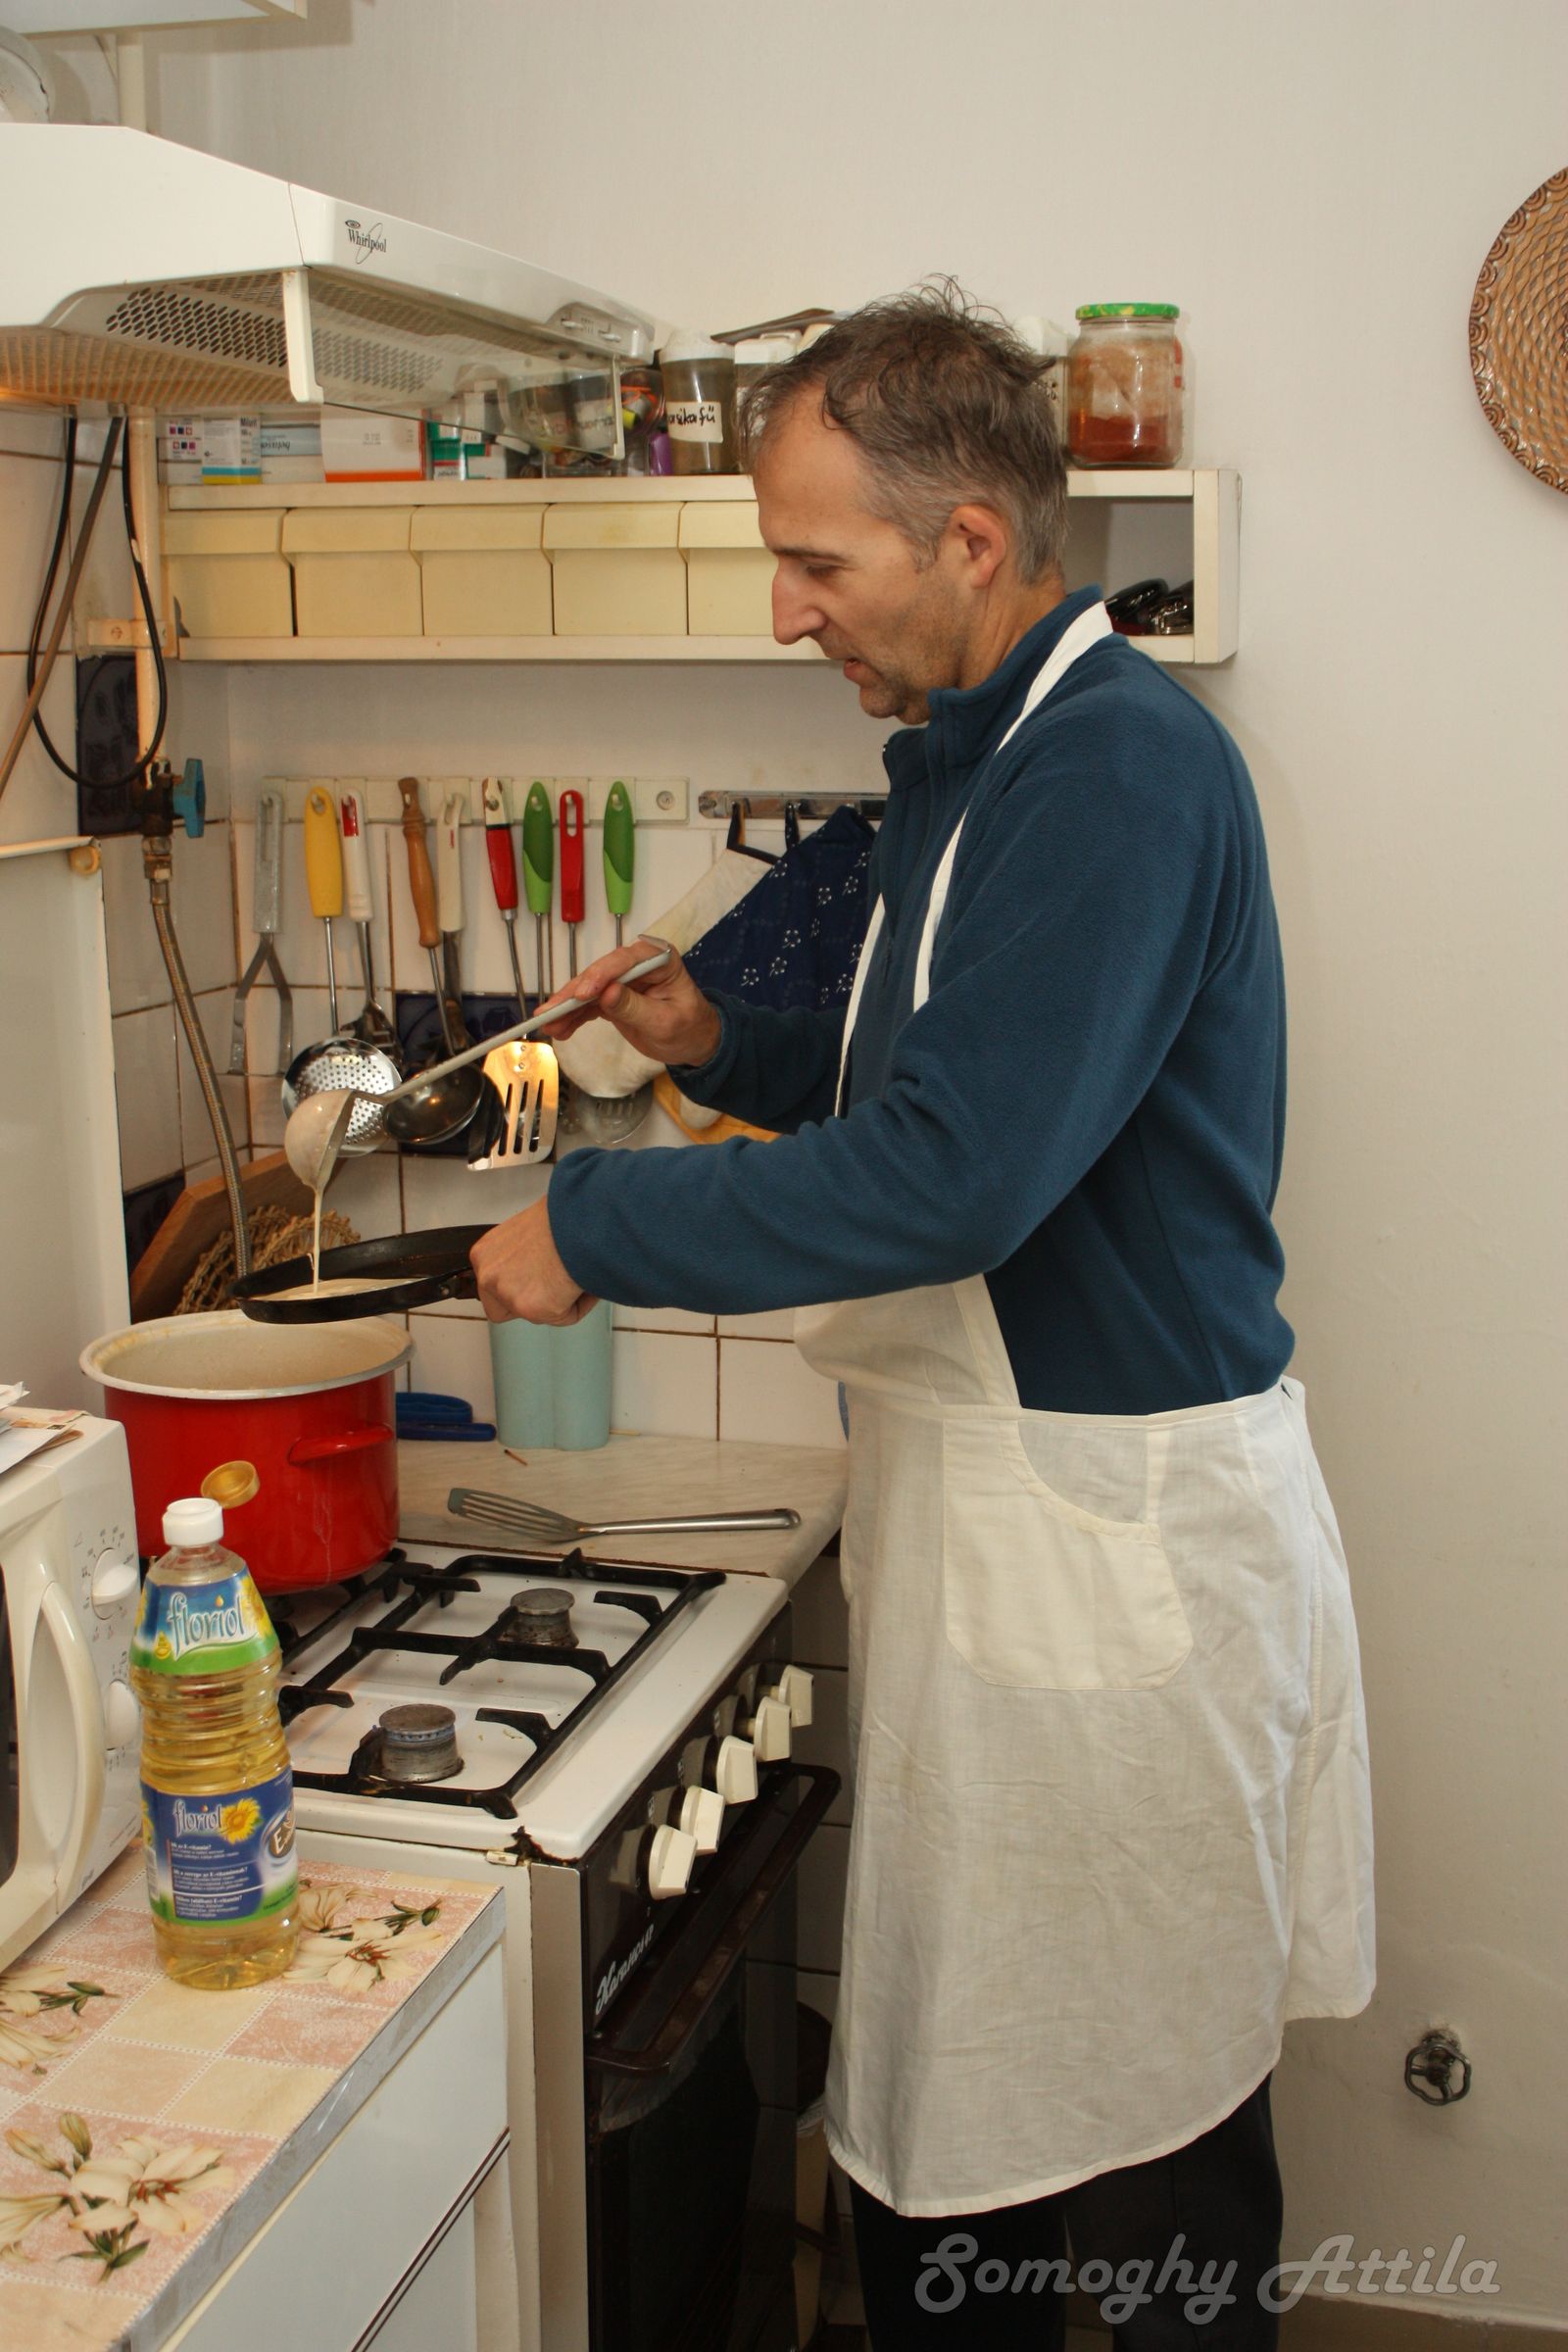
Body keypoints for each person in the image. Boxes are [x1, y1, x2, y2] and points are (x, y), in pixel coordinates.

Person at [471, 287, 1375, 2350]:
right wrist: (726, 1042)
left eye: (816, 561)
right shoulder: (968, 762)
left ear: (970, 541)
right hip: (1011, 1531)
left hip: (1107, 1547)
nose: (786, 610)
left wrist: (594, 1220)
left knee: (1146, 2172)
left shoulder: (1115, 773)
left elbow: (958, 1178)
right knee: (983, 2135)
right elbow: (938, 1085)